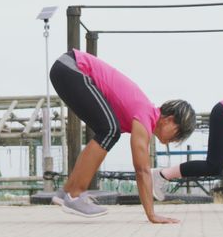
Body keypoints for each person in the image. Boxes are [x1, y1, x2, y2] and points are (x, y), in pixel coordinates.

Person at [49, 50, 196, 223]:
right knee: (109, 130)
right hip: (72, 68)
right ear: (170, 120)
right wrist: (151, 215)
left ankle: (67, 192)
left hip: (66, 69)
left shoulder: (142, 114)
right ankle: (74, 196)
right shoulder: (145, 115)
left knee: (108, 130)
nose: (176, 140)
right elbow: (142, 170)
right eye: (178, 134)